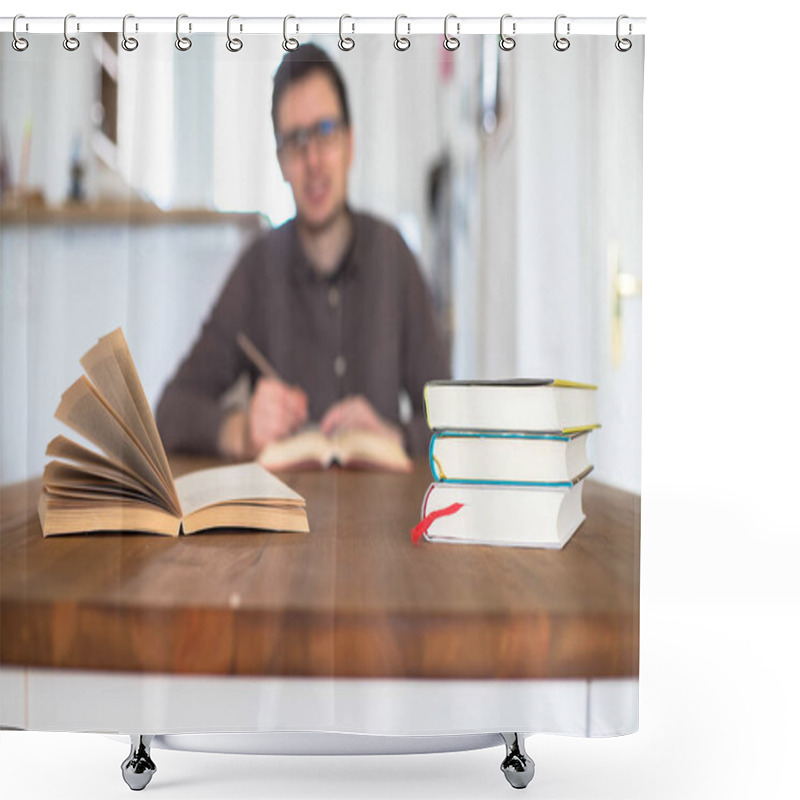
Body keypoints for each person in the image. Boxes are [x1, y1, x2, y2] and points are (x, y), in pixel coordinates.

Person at [156, 43, 449, 460]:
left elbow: (452, 425)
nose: (313, 160)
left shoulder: (394, 256)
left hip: (383, 517)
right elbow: (170, 412)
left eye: (326, 131)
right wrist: (239, 430)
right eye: (295, 141)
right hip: (283, 520)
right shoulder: (256, 269)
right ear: (280, 162)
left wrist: (394, 436)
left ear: (350, 142)